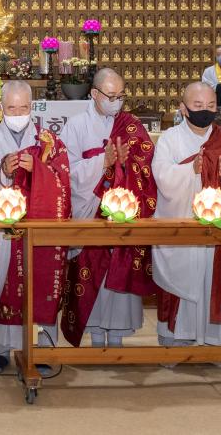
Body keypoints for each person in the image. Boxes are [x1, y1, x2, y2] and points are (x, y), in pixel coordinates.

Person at [0, 80, 71, 373]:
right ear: (0, 108)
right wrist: (1, 171)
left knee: (39, 285)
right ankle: (1, 350)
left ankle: (42, 350)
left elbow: (63, 180)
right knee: (7, 286)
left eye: (23, 107)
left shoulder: (48, 142)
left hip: (37, 229)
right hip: (4, 230)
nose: (18, 113)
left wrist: (38, 169)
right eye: (11, 108)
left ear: (32, 107)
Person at [150, 82, 221, 355]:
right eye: (198, 106)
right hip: (181, 224)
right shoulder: (170, 139)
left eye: (211, 106)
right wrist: (191, 170)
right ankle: (176, 342)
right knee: (183, 283)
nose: (205, 111)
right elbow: (161, 176)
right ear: (183, 108)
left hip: (216, 229)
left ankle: (216, 344)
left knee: (215, 281)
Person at [59, 68, 157, 348]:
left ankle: (117, 337)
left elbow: (146, 163)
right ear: (94, 94)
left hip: (122, 212)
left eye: (121, 96)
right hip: (89, 210)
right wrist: (103, 161)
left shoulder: (131, 124)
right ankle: (95, 336)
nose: (117, 102)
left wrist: (127, 163)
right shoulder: (76, 126)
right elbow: (65, 170)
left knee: (119, 270)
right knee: (90, 275)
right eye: (111, 96)